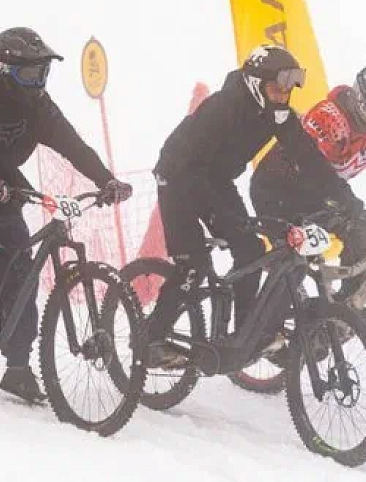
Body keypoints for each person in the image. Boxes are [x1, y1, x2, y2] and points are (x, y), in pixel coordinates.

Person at [0, 27, 132, 400]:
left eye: (42, 72)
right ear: (4, 70)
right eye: (30, 73)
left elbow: (73, 145)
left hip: (5, 191)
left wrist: (107, 180)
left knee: (22, 274)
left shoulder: (39, 105)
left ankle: (18, 367)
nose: (38, 81)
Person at [148, 45, 361, 369]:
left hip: (215, 180)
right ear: (254, 82)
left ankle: (245, 337)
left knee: (249, 249)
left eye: (288, 89)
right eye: (277, 88)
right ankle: (152, 338)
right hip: (178, 179)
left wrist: (350, 202)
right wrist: (227, 217)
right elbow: (191, 168)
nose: (282, 96)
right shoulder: (222, 107)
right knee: (191, 262)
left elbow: (312, 162)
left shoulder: (277, 114)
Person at [251, 68, 366, 307]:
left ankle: (345, 309)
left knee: (361, 231)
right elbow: (312, 169)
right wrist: (344, 201)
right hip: (276, 190)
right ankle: (265, 335)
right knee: (293, 265)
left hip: (317, 196)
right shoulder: (329, 117)